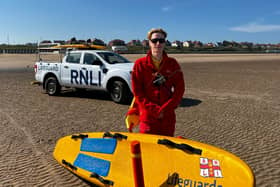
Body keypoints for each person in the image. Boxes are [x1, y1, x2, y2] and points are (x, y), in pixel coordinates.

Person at [130, 28, 185, 136]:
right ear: (149, 43)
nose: (158, 43)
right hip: (148, 118)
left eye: (161, 40)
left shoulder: (173, 64)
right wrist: (155, 110)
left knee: (167, 148)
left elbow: (180, 89)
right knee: (148, 149)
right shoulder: (140, 64)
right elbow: (138, 92)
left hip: (167, 117)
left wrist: (166, 109)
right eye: (154, 41)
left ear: (165, 43)